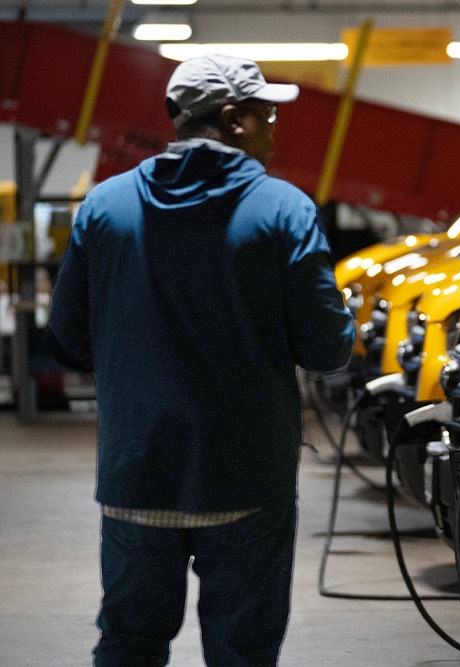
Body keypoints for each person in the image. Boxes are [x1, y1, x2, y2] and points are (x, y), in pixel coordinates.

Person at [46, 54, 355, 666]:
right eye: (267, 114)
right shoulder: (283, 211)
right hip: (244, 479)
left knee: (129, 642)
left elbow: (68, 335)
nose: (275, 127)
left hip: (136, 472)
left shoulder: (105, 207)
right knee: (241, 651)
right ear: (234, 120)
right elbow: (328, 348)